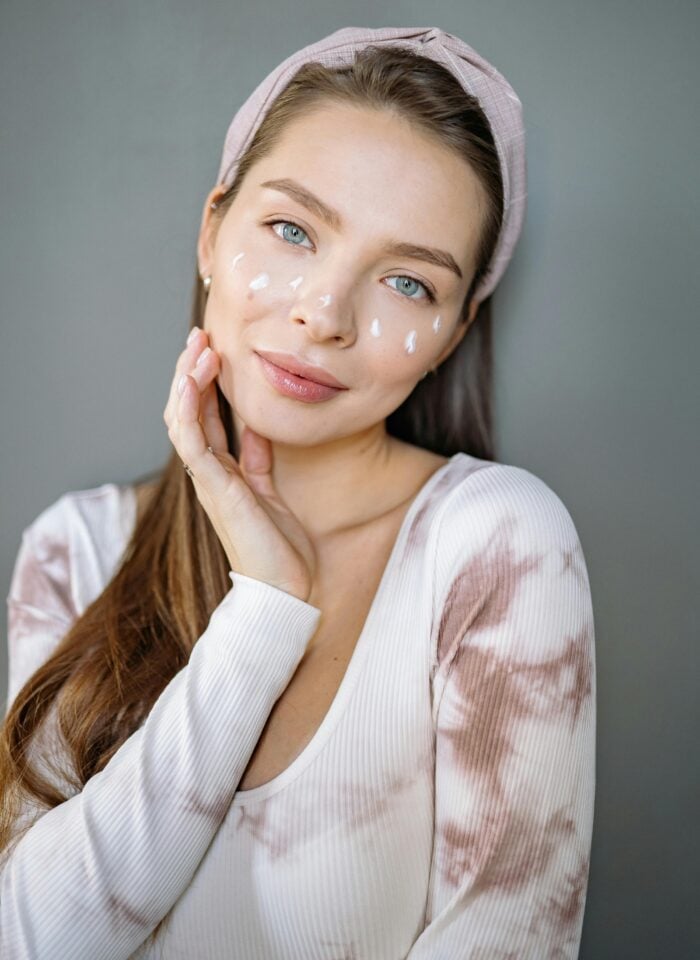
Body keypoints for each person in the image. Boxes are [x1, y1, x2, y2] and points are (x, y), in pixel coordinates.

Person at [0, 25, 596, 960]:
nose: (325, 312)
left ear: (452, 330)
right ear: (211, 230)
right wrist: (263, 612)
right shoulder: (73, 549)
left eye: (406, 281)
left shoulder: (493, 545)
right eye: (291, 229)